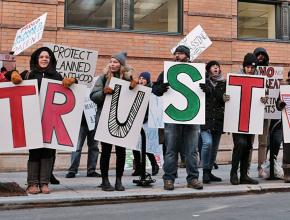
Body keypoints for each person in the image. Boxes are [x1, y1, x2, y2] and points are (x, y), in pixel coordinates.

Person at [23, 47, 76, 194]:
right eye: (41, 57)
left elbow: (73, 88)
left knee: (48, 152)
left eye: (47, 57)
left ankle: (44, 183)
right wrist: (12, 73)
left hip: (51, 120)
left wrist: (73, 80)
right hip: (33, 119)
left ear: (51, 60)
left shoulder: (57, 76)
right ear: (36, 59)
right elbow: (9, 77)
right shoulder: (29, 74)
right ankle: (32, 183)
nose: (44, 59)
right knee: (34, 151)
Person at [152, 45, 203, 190]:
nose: (177, 56)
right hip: (173, 116)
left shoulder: (198, 71)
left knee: (192, 150)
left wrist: (208, 89)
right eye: (176, 54)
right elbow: (155, 89)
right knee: (171, 149)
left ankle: (193, 178)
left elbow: (208, 93)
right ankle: (169, 179)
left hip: (192, 116)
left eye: (180, 54)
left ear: (187, 56)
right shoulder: (168, 72)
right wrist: (160, 89)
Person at [90, 52, 137, 191]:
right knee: (105, 151)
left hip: (122, 120)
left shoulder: (128, 79)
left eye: (115, 62)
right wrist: (103, 92)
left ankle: (118, 180)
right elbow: (93, 96)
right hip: (105, 119)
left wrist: (135, 87)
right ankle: (105, 181)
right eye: (111, 61)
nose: (112, 64)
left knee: (121, 152)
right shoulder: (103, 78)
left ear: (121, 65)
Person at [227, 53, 266, 185]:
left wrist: (263, 100)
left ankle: (244, 175)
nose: (250, 70)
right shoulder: (235, 78)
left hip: (251, 119)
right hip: (237, 118)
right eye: (248, 67)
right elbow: (227, 95)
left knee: (248, 146)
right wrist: (224, 97)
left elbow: (260, 100)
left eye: (252, 68)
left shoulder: (259, 81)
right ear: (244, 66)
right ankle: (233, 173)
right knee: (240, 144)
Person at [199, 61, 225, 184]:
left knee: (214, 148)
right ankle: (204, 171)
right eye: (213, 66)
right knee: (207, 143)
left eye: (217, 66)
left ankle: (209, 172)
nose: (216, 68)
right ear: (209, 69)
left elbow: (224, 100)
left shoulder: (224, 83)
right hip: (206, 119)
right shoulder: (203, 82)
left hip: (218, 119)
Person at [132, 71, 159, 176]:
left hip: (147, 122)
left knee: (146, 146)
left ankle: (154, 164)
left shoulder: (152, 91)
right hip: (136, 121)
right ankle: (138, 167)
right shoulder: (136, 90)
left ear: (148, 80)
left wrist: (145, 118)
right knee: (135, 146)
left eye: (144, 78)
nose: (141, 80)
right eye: (140, 78)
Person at [65, 112, 101, 178]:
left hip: (94, 121)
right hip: (81, 121)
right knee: (77, 147)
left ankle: (91, 170)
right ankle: (73, 170)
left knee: (94, 147)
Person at [253, 47, 271, 178]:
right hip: (252, 111)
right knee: (249, 141)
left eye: (262, 54)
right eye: (258, 54)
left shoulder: (271, 73)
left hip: (266, 111)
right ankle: (246, 167)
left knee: (263, 142)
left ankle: (261, 167)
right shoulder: (249, 71)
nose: (260, 56)